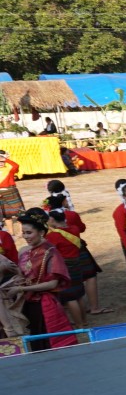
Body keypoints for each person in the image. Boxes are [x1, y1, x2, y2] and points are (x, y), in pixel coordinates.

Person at [8, 210, 77, 350]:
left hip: (45, 304)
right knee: (35, 338)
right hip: (28, 301)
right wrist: (18, 281)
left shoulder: (51, 252)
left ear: (41, 232)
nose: (25, 236)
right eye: (23, 233)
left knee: (47, 341)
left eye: (29, 233)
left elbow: (52, 283)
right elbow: (24, 275)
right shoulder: (24, 251)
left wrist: (22, 288)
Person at [46, 193, 105, 314]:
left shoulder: (45, 222)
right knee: (89, 276)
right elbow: (82, 228)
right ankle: (94, 307)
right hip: (78, 251)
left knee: (67, 287)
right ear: (62, 201)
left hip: (60, 258)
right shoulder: (71, 216)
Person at [0, 149, 22, 233]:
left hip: (12, 192)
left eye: (2, 161)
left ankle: (22, 232)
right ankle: (11, 233)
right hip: (1, 194)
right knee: (7, 215)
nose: (1, 163)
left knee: (19, 213)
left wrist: (5, 159)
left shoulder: (9, 169)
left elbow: (16, 165)